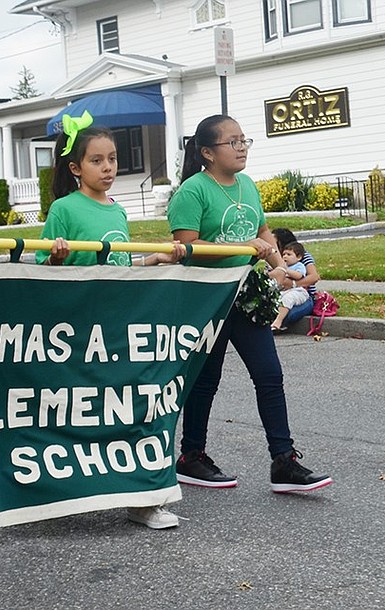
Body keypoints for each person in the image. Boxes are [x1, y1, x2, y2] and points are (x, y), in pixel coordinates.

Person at [167, 114, 332, 493]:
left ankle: (284, 462)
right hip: (206, 296)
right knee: (205, 380)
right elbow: (186, 248)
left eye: (244, 140)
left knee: (269, 375)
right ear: (207, 152)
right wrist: (241, 249)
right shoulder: (192, 192)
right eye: (232, 141)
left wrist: (280, 267)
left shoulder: (246, 185)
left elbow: (262, 232)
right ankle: (191, 457)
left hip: (245, 293)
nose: (241, 147)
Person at [35, 116, 185, 529]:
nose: (108, 167)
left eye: (113, 159)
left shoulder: (117, 210)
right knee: (82, 412)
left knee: (134, 408)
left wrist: (151, 260)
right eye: (97, 160)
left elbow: (119, 263)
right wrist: (54, 257)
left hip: (121, 327)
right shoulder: (64, 210)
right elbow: (40, 270)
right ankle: (62, 489)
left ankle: (142, 498)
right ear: (75, 168)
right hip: (82, 330)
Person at [271, 227, 319, 327]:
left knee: (289, 315)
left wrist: (293, 284)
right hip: (280, 293)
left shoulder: (301, 256)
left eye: (275, 244)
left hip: (304, 295)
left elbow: (314, 277)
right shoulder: (274, 257)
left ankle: (277, 323)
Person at [269, 242, 311, 332]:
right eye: (283, 254)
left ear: (299, 257)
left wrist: (285, 270)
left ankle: (278, 322)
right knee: (275, 299)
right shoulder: (283, 266)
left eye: (289, 254)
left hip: (298, 291)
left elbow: (298, 276)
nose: (285, 257)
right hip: (283, 290)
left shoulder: (299, 266)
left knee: (288, 299)